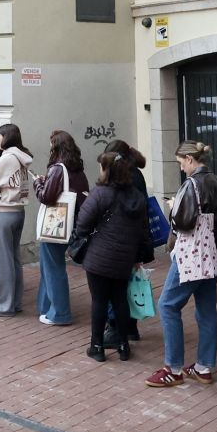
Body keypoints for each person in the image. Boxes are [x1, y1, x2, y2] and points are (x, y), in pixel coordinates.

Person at [147, 140, 217, 387]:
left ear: (191, 160)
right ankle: (204, 366)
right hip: (212, 255)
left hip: (191, 256)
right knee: (206, 308)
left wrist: (174, 207)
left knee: (168, 305)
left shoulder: (191, 185)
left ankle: (172, 368)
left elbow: (182, 223)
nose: (182, 168)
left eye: (181, 163)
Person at [75, 148, 150, 361]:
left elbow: (82, 224)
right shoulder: (136, 196)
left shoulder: (100, 193)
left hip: (99, 257)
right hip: (125, 258)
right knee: (120, 299)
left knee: (99, 301)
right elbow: (143, 229)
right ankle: (123, 345)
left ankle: (97, 346)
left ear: (106, 170)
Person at [33, 130, 88, 326]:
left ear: (56, 147)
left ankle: (59, 312)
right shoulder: (78, 169)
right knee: (50, 266)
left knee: (53, 267)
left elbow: (47, 197)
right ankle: (46, 307)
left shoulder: (58, 169)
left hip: (56, 224)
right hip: (72, 222)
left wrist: (38, 183)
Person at [0, 124, 33, 315]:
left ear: (6, 137)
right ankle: (15, 302)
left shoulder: (6, 159)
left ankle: (4, 305)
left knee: (0, 260)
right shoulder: (22, 158)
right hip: (19, 210)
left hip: (3, 211)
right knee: (13, 259)